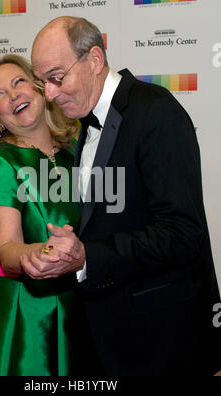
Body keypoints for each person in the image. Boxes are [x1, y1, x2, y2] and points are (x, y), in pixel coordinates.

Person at [29, 16, 221, 375]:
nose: (50, 94)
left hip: (160, 341)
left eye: (57, 77)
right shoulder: (86, 124)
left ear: (95, 60)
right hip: (108, 335)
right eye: (43, 83)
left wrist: (89, 256)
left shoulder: (155, 111)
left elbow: (182, 233)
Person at [0, 54, 93, 376]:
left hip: (79, 303)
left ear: (39, 88)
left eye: (18, 82)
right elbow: (8, 251)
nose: (13, 96)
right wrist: (44, 252)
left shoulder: (75, 152)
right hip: (25, 310)